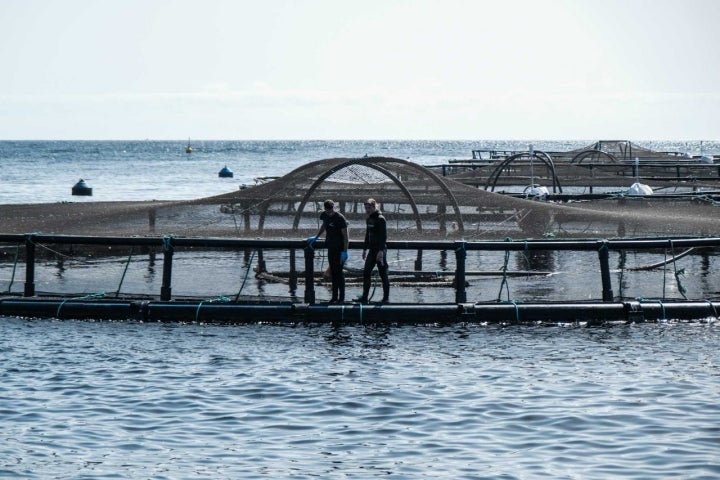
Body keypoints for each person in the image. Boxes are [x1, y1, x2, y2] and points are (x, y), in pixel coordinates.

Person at [308, 199, 349, 303]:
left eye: (330, 210)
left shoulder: (340, 218)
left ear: (333, 208)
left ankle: (342, 298)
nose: (329, 212)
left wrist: (345, 251)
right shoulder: (324, 216)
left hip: (339, 249)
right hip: (330, 247)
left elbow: (346, 237)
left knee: (339, 273)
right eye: (327, 210)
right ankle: (334, 297)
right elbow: (324, 225)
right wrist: (317, 236)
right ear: (325, 209)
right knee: (333, 273)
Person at [358, 198, 390, 304]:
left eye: (369, 208)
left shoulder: (381, 219)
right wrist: (364, 249)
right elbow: (367, 235)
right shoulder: (369, 219)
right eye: (366, 208)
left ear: (374, 207)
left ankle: (386, 299)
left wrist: (381, 252)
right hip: (371, 250)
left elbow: (383, 237)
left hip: (380, 250)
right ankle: (364, 297)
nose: (367, 210)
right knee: (366, 272)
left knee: (383, 274)